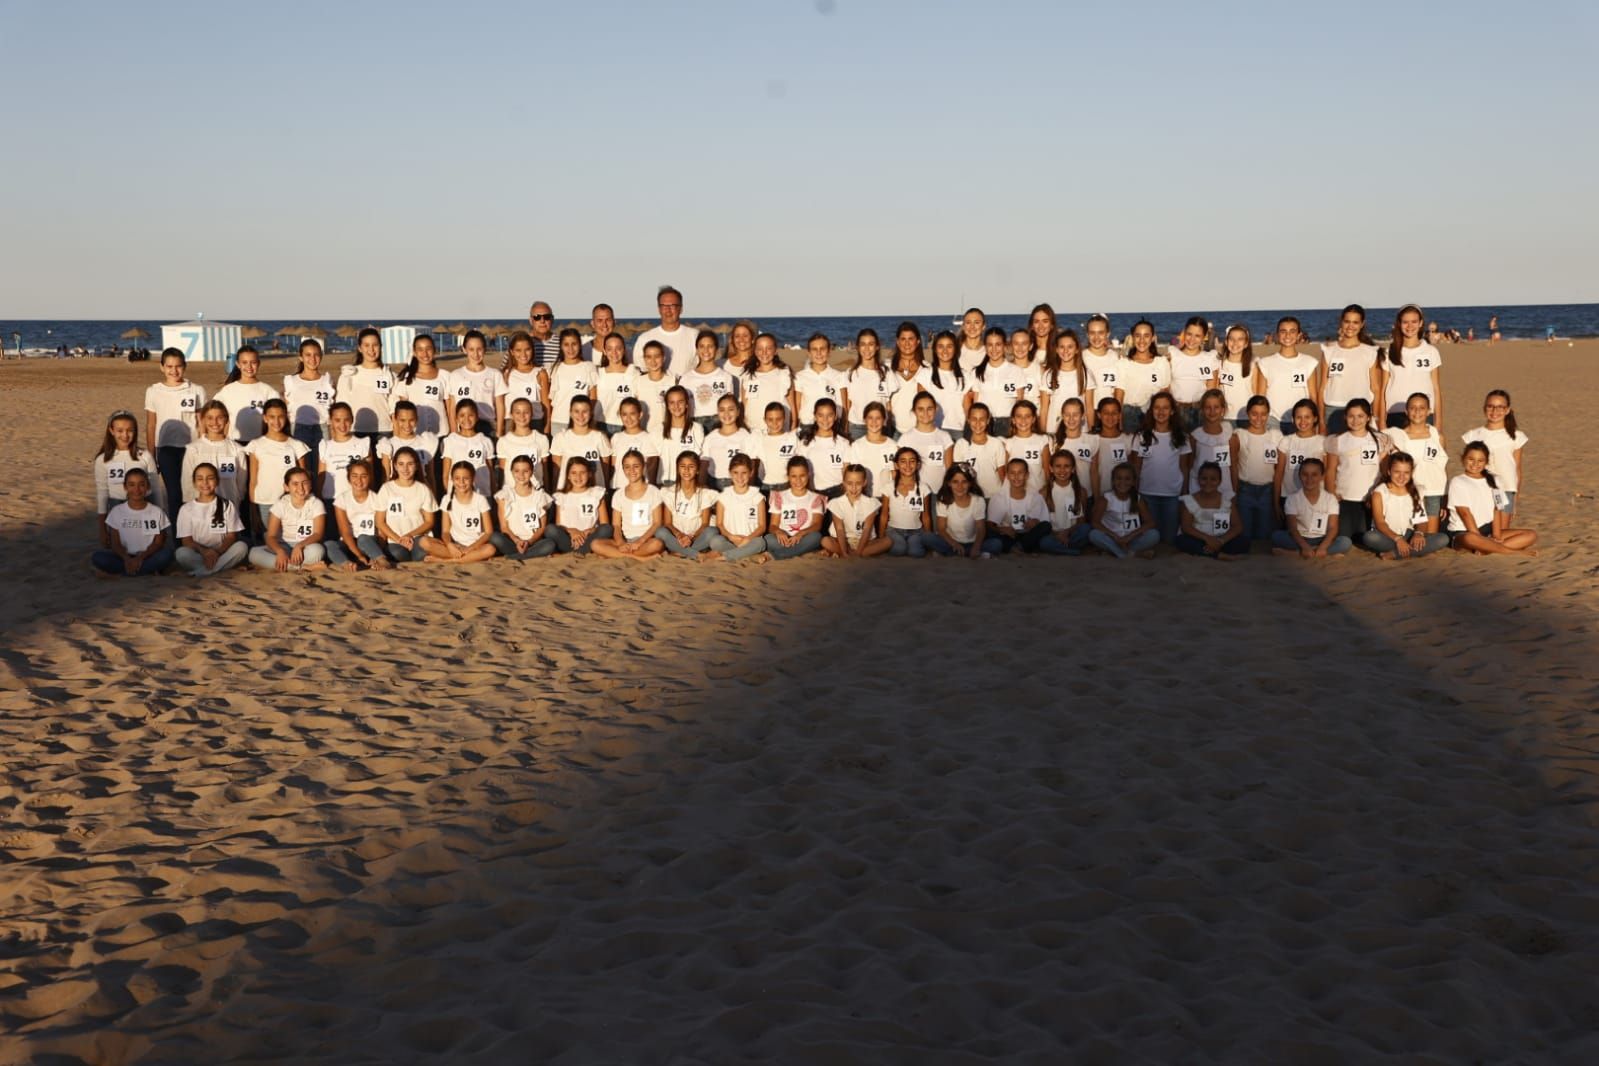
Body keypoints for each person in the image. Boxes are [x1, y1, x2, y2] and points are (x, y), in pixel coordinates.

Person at [144, 347, 207, 518]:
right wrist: (151, 454)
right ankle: (179, 539)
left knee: (192, 493)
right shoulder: (153, 391)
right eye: (169, 366)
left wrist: (203, 449)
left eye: (178, 366)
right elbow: (151, 424)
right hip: (166, 450)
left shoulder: (196, 390)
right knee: (173, 495)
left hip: (191, 449)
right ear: (162, 367)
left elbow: (202, 423)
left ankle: (194, 534)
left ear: (184, 366)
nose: (174, 370)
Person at [1447, 442, 1538, 555]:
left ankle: (1487, 549)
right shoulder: (1458, 482)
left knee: (1531, 535)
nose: (1475, 464)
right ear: (1463, 459)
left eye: (1480, 460)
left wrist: (1496, 536)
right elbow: (1465, 513)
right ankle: (1513, 552)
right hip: (1464, 532)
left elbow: (1497, 509)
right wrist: (1480, 538)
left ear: (1486, 462)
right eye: (1471, 459)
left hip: (1488, 531)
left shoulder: (1495, 480)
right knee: (1471, 538)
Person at [1321, 398, 1390, 540]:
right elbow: (1331, 470)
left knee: (1365, 539)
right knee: (1343, 538)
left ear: (1368, 418)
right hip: (1344, 498)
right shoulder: (1337, 440)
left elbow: (1384, 472)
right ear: (1345, 417)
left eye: (1360, 416)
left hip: (1369, 500)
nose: (1355, 420)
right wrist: (1332, 494)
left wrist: (1376, 495)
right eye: (1351, 416)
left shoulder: (1380, 439)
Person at [1129, 392, 1192, 544]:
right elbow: (1136, 467)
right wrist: (1135, 493)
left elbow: (1184, 468)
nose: (1161, 412)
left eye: (1165, 408)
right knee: (1152, 536)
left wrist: (1184, 494)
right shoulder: (1142, 436)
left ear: (1171, 411)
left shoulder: (1181, 437)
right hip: (1147, 494)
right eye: (1157, 407)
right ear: (1151, 411)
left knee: (1169, 539)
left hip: (1172, 495)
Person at [95, 409, 163, 545]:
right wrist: (103, 530)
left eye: (130, 430)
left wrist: (160, 518)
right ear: (111, 431)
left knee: (154, 550)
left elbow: (155, 489)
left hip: (145, 507)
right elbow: (102, 494)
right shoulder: (103, 460)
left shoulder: (144, 456)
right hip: (118, 508)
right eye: (120, 431)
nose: (125, 435)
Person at [244, 398, 310, 537]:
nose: (276, 421)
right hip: (264, 502)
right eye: (272, 417)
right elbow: (253, 481)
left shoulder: (296, 445)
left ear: (286, 417)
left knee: (289, 539)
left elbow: (304, 478)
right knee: (267, 541)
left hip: (291, 502)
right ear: (265, 418)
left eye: (280, 416)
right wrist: (253, 507)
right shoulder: (256, 445)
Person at [1363, 452, 1448, 559]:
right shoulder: (1379, 492)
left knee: (1442, 538)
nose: (1401, 477)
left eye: (1406, 473)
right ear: (1389, 471)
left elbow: (1421, 521)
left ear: (1411, 473)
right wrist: (1398, 539)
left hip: (1409, 535)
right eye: (1397, 472)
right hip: (1388, 536)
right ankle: (1411, 551)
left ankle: (1395, 554)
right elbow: (1380, 523)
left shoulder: (1416, 491)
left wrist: (1418, 533)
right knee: (1370, 537)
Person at [91, 468, 175, 576]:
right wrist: (127, 559)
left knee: (167, 555)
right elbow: (115, 544)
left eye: (141, 484)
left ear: (147, 487)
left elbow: (158, 543)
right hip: (124, 557)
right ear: (125, 487)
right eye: (132, 485)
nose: (137, 489)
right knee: (98, 557)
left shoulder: (156, 511)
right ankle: (141, 571)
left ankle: (127, 572)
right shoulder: (117, 511)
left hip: (147, 556)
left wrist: (140, 558)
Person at [1462, 389, 1529, 519]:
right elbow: (1468, 466)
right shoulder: (1473, 435)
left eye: (1500, 407)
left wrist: (1515, 498)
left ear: (1508, 410)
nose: (1494, 411)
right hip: (1480, 488)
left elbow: (1517, 469)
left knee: (1501, 534)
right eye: (1490, 406)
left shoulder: (1516, 436)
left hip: (1506, 489)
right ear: (1484, 408)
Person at [174, 462, 248, 576]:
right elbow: (186, 541)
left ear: (217, 481)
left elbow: (231, 536)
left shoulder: (227, 505)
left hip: (222, 552)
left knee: (241, 547)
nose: (205, 483)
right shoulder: (186, 509)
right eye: (200, 479)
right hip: (199, 553)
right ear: (194, 483)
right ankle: (219, 568)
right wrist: (205, 552)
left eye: (210, 478)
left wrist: (216, 552)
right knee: (181, 553)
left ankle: (200, 572)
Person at [249, 467, 328, 571]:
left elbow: (318, 534)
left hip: (305, 547)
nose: (301, 488)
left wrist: (300, 545)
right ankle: (303, 567)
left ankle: (284, 566)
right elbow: (271, 536)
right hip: (283, 545)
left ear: (310, 485)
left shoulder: (316, 504)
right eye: (295, 484)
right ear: (286, 487)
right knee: (254, 553)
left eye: (305, 483)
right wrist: (280, 552)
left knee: (318, 550)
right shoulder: (280, 505)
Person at [593, 450, 666, 560]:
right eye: (627, 467)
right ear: (623, 469)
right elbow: (616, 526)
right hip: (626, 540)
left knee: (657, 544)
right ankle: (640, 558)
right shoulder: (618, 495)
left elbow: (657, 523)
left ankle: (617, 555)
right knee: (595, 544)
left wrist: (640, 541)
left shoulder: (653, 491)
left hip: (645, 540)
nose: (631, 470)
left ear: (643, 467)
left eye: (636, 466)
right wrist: (620, 542)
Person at [1319, 305, 1381, 433]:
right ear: (1341, 322)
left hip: (1361, 411)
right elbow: (1322, 387)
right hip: (1333, 410)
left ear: (1362, 324)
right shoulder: (1329, 351)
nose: (1350, 326)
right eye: (1347, 321)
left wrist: (1375, 416)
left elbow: (1375, 388)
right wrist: (1321, 420)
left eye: (1355, 322)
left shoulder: (1370, 352)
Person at [1253, 317, 1322, 432]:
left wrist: (1315, 424)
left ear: (1299, 335)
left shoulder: (1309, 362)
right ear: (1277, 335)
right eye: (1283, 331)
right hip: (1272, 420)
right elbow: (1261, 397)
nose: (1287, 335)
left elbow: (1313, 397)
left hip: (1301, 421)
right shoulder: (1265, 363)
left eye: (1292, 331)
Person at [1272, 458, 1350, 558]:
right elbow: (1293, 528)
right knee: (1276, 536)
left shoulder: (1330, 499)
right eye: (1305, 474)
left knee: (1345, 542)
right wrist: (1304, 546)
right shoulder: (1292, 499)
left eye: (1314, 475)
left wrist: (1323, 547)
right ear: (1300, 476)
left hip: (1322, 538)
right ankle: (1318, 552)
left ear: (1322, 476)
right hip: (1300, 538)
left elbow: (1333, 528)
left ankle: (1296, 553)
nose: (1309, 479)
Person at [1382, 304, 1444, 429]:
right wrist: (1382, 422)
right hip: (1395, 413)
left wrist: (1438, 424)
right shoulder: (1388, 353)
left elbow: (1436, 389)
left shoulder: (1431, 351)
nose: (1410, 326)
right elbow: (1382, 390)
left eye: (1414, 321)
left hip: (1424, 413)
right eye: (1405, 322)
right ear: (1399, 324)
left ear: (1421, 323)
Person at [422, 461, 497, 564]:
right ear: (452, 479)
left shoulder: (480, 500)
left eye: (466, 478)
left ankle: (447, 561)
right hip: (455, 546)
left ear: (473, 479)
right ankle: (468, 558)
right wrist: (449, 545)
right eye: (457, 478)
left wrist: (470, 548)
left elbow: (488, 532)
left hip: (475, 546)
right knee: (424, 542)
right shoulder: (447, 499)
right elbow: (445, 531)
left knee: (490, 549)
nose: (461, 482)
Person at [180, 400, 249, 511]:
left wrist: (236, 501)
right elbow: (187, 481)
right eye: (210, 418)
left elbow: (241, 482)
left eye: (220, 417)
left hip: (228, 507)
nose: (215, 422)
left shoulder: (237, 449)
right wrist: (191, 505)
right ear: (203, 419)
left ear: (226, 419)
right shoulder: (194, 449)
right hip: (200, 508)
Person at [373, 447, 435, 563]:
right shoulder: (386, 489)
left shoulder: (423, 489)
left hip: (418, 539)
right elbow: (380, 521)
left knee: (420, 553)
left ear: (416, 466)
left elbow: (429, 521)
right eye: (401, 464)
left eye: (410, 464)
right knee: (397, 554)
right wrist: (399, 539)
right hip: (396, 541)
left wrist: (410, 535)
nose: (405, 469)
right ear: (395, 466)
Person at [1233, 395, 1283, 542]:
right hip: (1245, 491)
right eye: (1254, 414)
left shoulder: (1276, 436)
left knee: (1263, 537)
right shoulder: (1239, 435)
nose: (1259, 418)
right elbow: (1234, 467)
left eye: (1263, 414)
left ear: (1268, 415)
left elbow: (1278, 468)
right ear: (1248, 414)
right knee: (1245, 536)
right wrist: (1235, 495)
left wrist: (1276, 501)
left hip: (1267, 492)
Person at [1175, 461, 1247, 560]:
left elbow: (1237, 526)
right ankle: (1217, 555)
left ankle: (1209, 551)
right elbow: (1186, 527)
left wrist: (1220, 541)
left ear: (1220, 481)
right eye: (1204, 479)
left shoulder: (1226, 500)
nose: (1208, 482)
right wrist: (1207, 539)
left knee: (1243, 542)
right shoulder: (1190, 500)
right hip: (1199, 539)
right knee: (1182, 541)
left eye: (1213, 479)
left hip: (1221, 540)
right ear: (1198, 480)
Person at [491, 455, 557, 560]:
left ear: (531, 472)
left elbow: (541, 528)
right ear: (512, 472)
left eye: (525, 471)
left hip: (533, 543)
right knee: (495, 537)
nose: (521, 475)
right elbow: (504, 527)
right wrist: (517, 541)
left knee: (550, 544)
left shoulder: (540, 496)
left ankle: (517, 556)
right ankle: (525, 554)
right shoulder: (504, 495)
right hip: (512, 542)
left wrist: (528, 542)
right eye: (517, 471)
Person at [325, 459, 387, 571]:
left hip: (370, 541)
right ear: (349, 478)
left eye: (363, 476)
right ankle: (347, 564)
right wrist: (359, 555)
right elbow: (345, 531)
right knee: (329, 545)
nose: (359, 480)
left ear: (370, 477)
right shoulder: (342, 499)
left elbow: (382, 530)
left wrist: (380, 549)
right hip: (350, 542)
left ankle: (381, 560)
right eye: (354, 476)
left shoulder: (376, 499)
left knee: (363, 538)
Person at [706, 453, 769, 562]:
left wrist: (748, 539)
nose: (740, 477)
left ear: (751, 473)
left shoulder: (757, 497)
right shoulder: (723, 497)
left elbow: (762, 526)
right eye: (735, 473)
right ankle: (749, 556)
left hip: (751, 540)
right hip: (730, 540)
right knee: (715, 541)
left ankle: (726, 556)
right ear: (730, 473)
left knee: (761, 543)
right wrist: (731, 537)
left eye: (744, 473)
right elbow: (719, 524)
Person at [656, 452, 719, 559]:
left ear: (698, 470)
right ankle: (696, 554)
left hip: (695, 539)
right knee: (660, 532)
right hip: (676, 539)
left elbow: (704, 523)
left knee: (712, 531)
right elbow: (668, 523)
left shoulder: (704, 493)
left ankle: (680, 552)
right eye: (682, 466)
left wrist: (691, 537)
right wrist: (679, 536)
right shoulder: (669, 492)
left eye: (691, 466)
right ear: (678, 469)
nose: (686, 470)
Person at [1089, 462, 1158, 559]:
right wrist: (1115, 537)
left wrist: (1129, 537)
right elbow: (1095, 523)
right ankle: (1126, 554)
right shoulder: (1106, 498)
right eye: (1118, 478)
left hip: (1132, 539)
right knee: (1094, 535)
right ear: (1113, 481)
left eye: (1127, 479)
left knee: (1154, 535)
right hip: (1112, 538)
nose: (1123, 482)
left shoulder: (1138, 499)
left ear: (1134, 482)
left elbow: (1150, 523)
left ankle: (1116, 552)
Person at [923, 466, 995, 557]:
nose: (960, 486)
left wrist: (976, 547)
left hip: (971, 542)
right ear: (949, 483)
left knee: (996, 544)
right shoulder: (943, 500)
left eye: (964, 482)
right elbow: (941, 528)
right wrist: (954, 544)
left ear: (970, 483)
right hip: (950, 541)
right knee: (926, 537)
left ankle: (953, 552)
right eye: (955, 482)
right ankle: (962, 552)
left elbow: (980, 528)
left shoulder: (978, 501)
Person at [764, 456, 827, 560]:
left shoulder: (815, 498)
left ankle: (778, 555)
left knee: (816, 537)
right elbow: (773, 526)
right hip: (783, 540)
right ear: (788, 477)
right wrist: (779, 532)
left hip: (803, 538)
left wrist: (801, 534)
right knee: (767, 539)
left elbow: (817, 525)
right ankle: (798, 551)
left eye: (802, 475)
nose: (798, 480)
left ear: (808, 475)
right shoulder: (780, 496)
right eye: (794, 476)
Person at [213, 346, 279, 442]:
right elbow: (212, 414)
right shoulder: (227, 391)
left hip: (261, 445)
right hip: (234, 444)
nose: (249, 366)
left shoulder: (269, 392)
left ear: (259, 363)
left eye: (253, 362)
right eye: (244, 362)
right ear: (238, 364)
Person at [823, 464, 890, 559]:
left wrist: (858, 552)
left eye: (858, 483)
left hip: (866, 541)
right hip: (844, 540)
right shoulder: (836, 503)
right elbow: (839, 529)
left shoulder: (871, 503)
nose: (854, 488)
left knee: (888, 541)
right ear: (844, 483)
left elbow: (867, 530)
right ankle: (844, 552)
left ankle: (849, 553)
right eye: (849, 483)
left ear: (864, 482)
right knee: (825, 541)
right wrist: (844, 551)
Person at [338, 328, 395, 439]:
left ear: (381, 347)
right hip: (356, 432)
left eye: (375, 345)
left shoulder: (389, 374)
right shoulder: (349, 374)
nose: (371, 350)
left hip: (384, 431)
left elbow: (394, 408)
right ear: (360, 348)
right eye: (367, 345)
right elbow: (341, 406)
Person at [986, 458, 1051, 554]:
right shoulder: (998, 497)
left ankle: (1019, 546)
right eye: (1012, 473)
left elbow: (1043, 521)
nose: (1016, 477)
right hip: (1008, 535)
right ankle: (1018, 547)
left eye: (1020, 473)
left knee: (1046, 526)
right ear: (1007, 476)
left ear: (1027, 475)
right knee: (990, 532)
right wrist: (1001, 529)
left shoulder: (1035, 497)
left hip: (1027, 534)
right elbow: (990, 525)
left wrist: (1035, 522)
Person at [447, 330, 505, 436]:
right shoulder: (456, 375)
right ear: (464, 350)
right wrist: (454, 432)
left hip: (488, 427)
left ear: (485, 349)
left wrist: (499, 432)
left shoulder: (495, 374)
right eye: (471, 349)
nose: (476, 354)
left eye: (479, 349)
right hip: (464, 427)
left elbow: (500, 406)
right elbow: (452, 407)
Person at [391, 334, 451, 436]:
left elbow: (449, 408)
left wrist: (453, 433)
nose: (425, 354)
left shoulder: (445, 375)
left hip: (442, 434)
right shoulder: (405, 379)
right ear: (414, 352)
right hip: (417, 435)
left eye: (428, 349)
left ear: (434, 350)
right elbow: (402, 412)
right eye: (420, 349)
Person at [679, 330, 738, 432]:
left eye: (710, 346)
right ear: (696, 350)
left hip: (718, 424)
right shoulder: (686, 378)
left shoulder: (726, 377)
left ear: (716, 349)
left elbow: (730, 407)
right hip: (694, 425)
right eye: (702, 346)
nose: (706, 350)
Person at [283, 339, 334, 457]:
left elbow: (331, 409)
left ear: (321, 356)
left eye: (316, 355)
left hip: (322, 428)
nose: (313, 358)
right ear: (300, 357)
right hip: (298, 429)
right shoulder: (291, 381)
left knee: (322, 467)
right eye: (308, 355)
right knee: (302, 469)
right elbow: (286, 408)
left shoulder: (327, 380)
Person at [550, 396, 611, 491]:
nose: (581, 415)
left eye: (585, 411)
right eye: (576, 411)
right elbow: (556, 470)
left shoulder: (600, 437)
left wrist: (606, 490)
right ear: (570, 413)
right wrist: (555, 491)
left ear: (591, 413)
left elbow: (606, 468)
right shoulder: (560, 438)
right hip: (568, 493)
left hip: (595, 492)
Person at [631, 286, 696, 374]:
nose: (668, 310)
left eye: (672, 305)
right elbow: (640, 372)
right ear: (659, 309)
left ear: (681, 309)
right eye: (664, 306)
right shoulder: (644, 339)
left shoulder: (694, 336)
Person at [846, 329, 898, 440]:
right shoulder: (851, 373)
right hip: (857, 427)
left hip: (880, 426)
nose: (867, 348)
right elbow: (848, 403)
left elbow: (888, 403)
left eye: (871, 344)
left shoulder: (886, 372)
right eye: (863, 344)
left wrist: (888, 424)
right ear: (858, 347)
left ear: (877, 346)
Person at [546, 328, 598, 437]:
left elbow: (593, 397)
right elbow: (551, 399)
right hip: (559, 420)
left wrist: (590, 419)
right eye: (566, 344)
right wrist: (548, 422)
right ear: (561, 346)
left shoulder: (588, 367)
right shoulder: (555, 368)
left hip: (581, 421)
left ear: (580, 345)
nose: (570, 348)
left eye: (574, 344)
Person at [317, 402, 373, 502]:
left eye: (346, 420)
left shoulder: (363, 444)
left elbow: (370, 475)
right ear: (331, 421)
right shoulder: (325, 446)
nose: (342, 425)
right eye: (337, 420)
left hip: (356, 500)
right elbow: (321, 476)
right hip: (330, 499)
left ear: (352, 419)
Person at [1168, 316, 1218, 429]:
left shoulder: (1209, 359)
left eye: (1197, 336)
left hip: (1200, 412)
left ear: (1204, 337)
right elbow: (1165, 387)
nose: (1192, 339)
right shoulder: (1173, 356)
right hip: (1175, 412)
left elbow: (1211, 391)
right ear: (1184, 333)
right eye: (1189, 334)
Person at [792, 332, 847, 432]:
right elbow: (796, 406)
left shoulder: (839, 376)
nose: (819, 353)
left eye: (822, 349)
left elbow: (844, 407)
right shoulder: (800, 376)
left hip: (833, 427)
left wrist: (844, 429)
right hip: (808, 427)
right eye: (814, 349)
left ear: (829, 352)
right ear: (808, 353)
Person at [438, 398, 494, 497]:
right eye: (462, 415)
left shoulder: (485, 441)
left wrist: (493, 496)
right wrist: (449, 496)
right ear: (456, 418)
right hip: (458, 496)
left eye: (471, 415)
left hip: (482, 494)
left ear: (477, 417)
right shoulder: (450, 440)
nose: (467, 419)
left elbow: (491, 472)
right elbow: (445, 474)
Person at [881, 447, 931, 557]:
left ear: (918, 464)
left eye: (912, 461)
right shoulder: (888, 487)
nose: (908, 465)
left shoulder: (923, 488)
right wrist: (881, 538)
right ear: (896, 465)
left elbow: (926, 516)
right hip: (893, 530)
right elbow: (884, 515)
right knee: (898, 550)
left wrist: (928, 539)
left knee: (916, 553)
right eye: (903, 461)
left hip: (916, 531)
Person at [971, 327, 1020, 438]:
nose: (994, 349)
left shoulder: (1015, 370)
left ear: (1004, 346)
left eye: (998, 344)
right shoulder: (977, 372)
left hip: (1008, 423)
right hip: (985, 424)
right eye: (990, 345)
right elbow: (976, 402)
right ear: (985, 347)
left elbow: (1019, 401)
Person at [1039, 450, 1090, 555]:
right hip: (1053, 535)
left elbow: (1081, 521)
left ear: (1073, 469)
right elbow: (1042, 524)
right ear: (1051, 468)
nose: (1062, 470)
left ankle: (1063, 549)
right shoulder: (1043, 493)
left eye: (1067, 466)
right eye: (1058, 466)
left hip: (1072, 533)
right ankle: (1073, 551)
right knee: (1044, 542)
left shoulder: (1081, 491)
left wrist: (1067, 533)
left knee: (1086, 529)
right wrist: (1058, 535)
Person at [498, 397, 553, 492]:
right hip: (512, 493)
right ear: (511, 415)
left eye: (526, 412)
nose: (522, 416)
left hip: (536, 492)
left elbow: (545, 470)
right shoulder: (504, 441)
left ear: (532, 414)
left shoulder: (541, 439)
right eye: (518, 412)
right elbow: (502, 471)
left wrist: (547, 491)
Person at [700, 395, 754, 490]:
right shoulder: (710, 437)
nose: (726, 413)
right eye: (722, 410)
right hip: (713, 484)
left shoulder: (745, 436)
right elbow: (704, 465)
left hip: (737, 484)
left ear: (738, 412)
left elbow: (752, 464)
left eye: (731, 409)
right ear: (717, 412)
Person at [741, 333, 795, 426]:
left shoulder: (784, 373)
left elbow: (792, 405)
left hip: (779, 429)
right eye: (760, 349)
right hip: (754, 428)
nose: (764, 352)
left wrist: (793, 425)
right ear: (755, 351)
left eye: (769, 348)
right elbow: (744, 404)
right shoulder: (748, 374)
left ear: (775, 351)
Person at [798, 398, 848, 498]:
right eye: (821, 415)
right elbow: (801, 470)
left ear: (835, 416)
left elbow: (846, 471)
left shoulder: (843, 442)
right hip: (813, 492)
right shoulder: (805, 442)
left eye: (829, 415)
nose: (825, 420)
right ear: (815, 416)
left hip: (837, 492)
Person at [502, 330, 551, 432]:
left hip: (535, 421)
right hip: (511, 422)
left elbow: (546, 404)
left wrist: (547, 427)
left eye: (527, 349)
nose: (523, 354)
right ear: (512, 352)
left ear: (532, 350)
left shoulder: (541, 373)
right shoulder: (506, 374)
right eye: (518, 350)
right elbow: (501, 403)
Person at [593, 332, 640, 435]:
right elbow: (593, 399)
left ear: (624, 350)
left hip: (625, 425)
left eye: (618, 348)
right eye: (610, 349)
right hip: (600, 424)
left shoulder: (633, 372)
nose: (614, 353)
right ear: (604, 351)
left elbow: (637, 400)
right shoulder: (598, 373)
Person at [755, 401, 799, 493]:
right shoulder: (759, 438)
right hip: (765, 486)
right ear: (765, 420)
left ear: (784, 418)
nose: (774, 423)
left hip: (787, 485)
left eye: (778, 419)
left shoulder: (792, 438)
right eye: (770, 419)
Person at [1215, 325, 1255, 426]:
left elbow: (1257, 392)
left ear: (1246, 344)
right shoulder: (1219, 364)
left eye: (1240, 339)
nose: (1235, 343)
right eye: (1231, 339)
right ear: (1226, 342)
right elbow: (1215, 389)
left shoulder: (1254, 365)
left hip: (1247, 418)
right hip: (1225, 417)